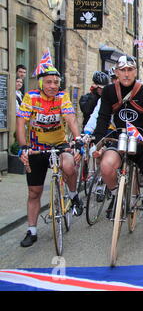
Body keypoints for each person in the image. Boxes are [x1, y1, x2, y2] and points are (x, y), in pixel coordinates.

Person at [92, 55, 143, 254]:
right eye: (122, 70)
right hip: (119, 140)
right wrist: (99, 143)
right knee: (106, 166)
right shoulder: (109, 91)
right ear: (116, 73)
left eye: (130, 70)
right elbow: (102, 119)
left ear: (135, 72)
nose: (126, 74)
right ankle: (119, 196)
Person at [16, 65, 84, 248]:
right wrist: (23, 147)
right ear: (40, 83)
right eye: (48, 82)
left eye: (56, 82)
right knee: (34, 192)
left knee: (69, 165)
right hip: (36, 148)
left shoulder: (63, 97)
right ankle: (32, 230)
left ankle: (73, 194)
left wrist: (77, 140)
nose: (53, 86)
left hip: (59, 145)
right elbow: (21, 122)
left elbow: (70, 118)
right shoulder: (31, 97)